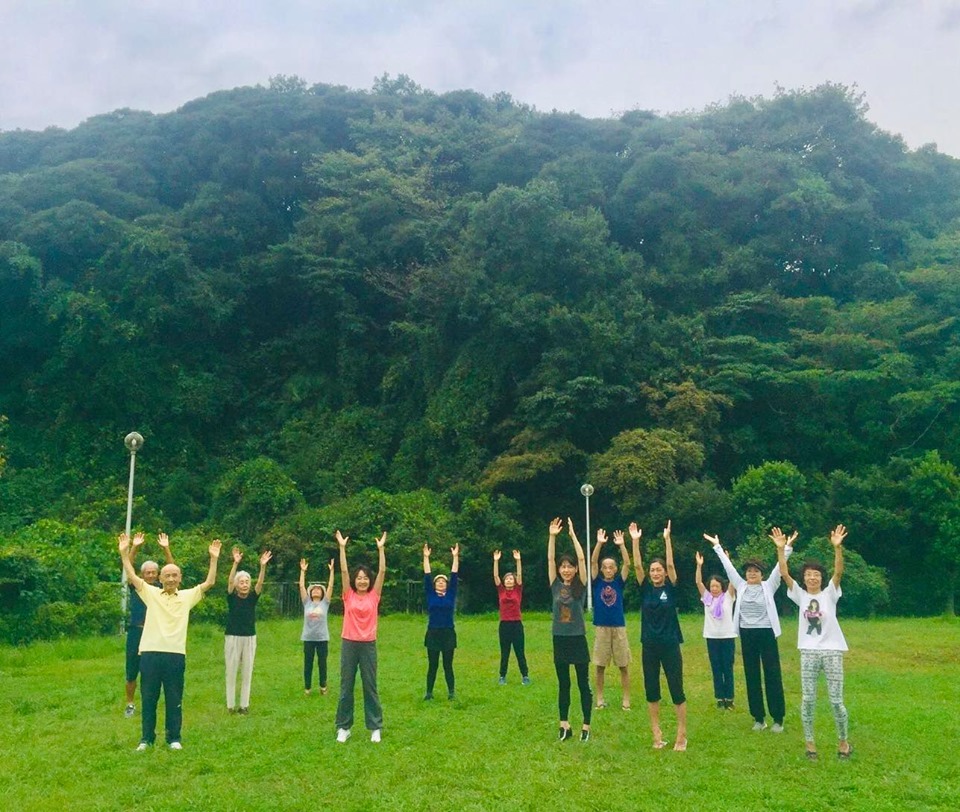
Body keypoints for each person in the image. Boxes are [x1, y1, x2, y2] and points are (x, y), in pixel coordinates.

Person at [118, 531, 221, 751]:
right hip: (150, 654)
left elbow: (210, 582)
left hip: (175, 655)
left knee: (174, 699)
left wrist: (213, 558)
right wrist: (124, 553)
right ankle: (146, 739)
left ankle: (174, 737)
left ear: (180, 578)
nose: (171, 579)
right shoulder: (150, 593)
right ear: (160, 579)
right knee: (149, 699)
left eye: (175, 575)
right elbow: (132, 576)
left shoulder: (187, 596)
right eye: (167, 575)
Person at [772, 525, 852, 760]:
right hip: (808, 651)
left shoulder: (830, 593)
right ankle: (810, 745)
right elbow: (785, 575)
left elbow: (838, 573)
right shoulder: (800, 595)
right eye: (808, 574)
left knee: (836, 701)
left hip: (832, 651)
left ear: (820, 578)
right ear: (805, 578)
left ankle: (844, 743)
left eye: (816, 574)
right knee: (808, 700)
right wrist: (781, 550)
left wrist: (838, 548)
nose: (812, 577)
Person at [704, 531, 794, 733]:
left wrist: (785, 549)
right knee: (751, 675)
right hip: (747, 634)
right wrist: (717, 546)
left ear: (761, 574)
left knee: (772, 674)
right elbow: (728, 568)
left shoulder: (769, 585)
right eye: (749, 571)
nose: (752, 574)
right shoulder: (741, 586)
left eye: (756, 571)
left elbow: (780, 569)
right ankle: (759, 718)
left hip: (766, 634)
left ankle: (778, 718)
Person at [632, 520, 687, 751]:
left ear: (664, 573)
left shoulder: (670, 588)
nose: (655, 573)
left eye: (658, 569)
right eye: (652, 570)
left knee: (676, 689)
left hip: (670, 644)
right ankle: (657, 734)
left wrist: (667, 540)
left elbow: (672, 564)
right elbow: (636, 566)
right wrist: (635, 541)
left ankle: (681, 736)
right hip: (650, 646)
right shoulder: (645, 588)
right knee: (652, 690)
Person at [335, 529, 387, 744]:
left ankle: (375, 727)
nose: (362, 581)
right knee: (346, 687)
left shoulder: (374, 596)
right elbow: (344, 571)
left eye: (365, 578)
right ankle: (343, 727)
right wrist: (342, 548)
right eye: (359, 578)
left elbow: (383, 571)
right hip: (349, 643)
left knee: (370, 686)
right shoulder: (348, 595)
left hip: (368, 645)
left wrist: (381, 549)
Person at [547, 516, 592, 742]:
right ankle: (564, 724)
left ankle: (586, 725)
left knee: (583, 683)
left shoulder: (580, 586)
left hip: (577, 638)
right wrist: (552, 537)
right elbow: (550, 558)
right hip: (560, 638)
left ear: (575, 570)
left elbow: (583, 559)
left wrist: (573, 536)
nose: (566, 570)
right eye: (563, 566)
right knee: (564, 683)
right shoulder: (555, 584)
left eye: (569, 567)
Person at [124, 531, 174, 717]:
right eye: (148, 573)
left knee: (151, 670)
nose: (151, 575)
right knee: (131, 671)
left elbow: (172, 568)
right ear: (142, 575)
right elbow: (128, 567)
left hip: (155, 635)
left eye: (154, 572)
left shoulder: (163, 588)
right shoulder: (137, 586)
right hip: (136, 632)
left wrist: (166, 548)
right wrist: (134, 547)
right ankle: (130, 704)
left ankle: (148, 702)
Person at [224, 547, 272, 714]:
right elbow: (229, 581)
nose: (244, 585)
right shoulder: (231, 596)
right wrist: (235, 563)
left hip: (250, 638)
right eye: (241, 582)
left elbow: (260, 584)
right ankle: (230, 706)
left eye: (246, 582)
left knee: (247, 672)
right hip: (232, 637)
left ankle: (244, 706)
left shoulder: (253, 597)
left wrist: (263, 566)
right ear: (237, 585)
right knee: (231, 670)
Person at [590, 528, 632, 710]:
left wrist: (622, 545)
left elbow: (628, 564)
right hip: (601, 627)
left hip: (618, 627)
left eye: (611, 567)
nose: (608, 569)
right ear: (601, 569)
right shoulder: (597, 582)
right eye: (605, 567)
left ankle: (626, 699)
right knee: (599, 666)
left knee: (623, 665)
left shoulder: (618, 583)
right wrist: (599, 543)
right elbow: (592, 561)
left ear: (615, 569)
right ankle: (599, 699)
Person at [694, 550, 737, 709]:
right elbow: (698, 583)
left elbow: (733, 579)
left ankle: (730, 699)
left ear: (722, 586)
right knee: (716, 668)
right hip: (711, 637)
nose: (713, 588)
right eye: (711, 586)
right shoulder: (707, 598)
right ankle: (720, 698)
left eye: (716, 586)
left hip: (727, 637)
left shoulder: (728, 597)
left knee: (728, 668)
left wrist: (727, 560)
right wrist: (699, 566)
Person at [422, 543, 460, 700]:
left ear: (447, 584)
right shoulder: (430, 594)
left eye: (443, 581)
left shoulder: (451, 594)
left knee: (447, 665)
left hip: (448, 633)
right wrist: (426, 557)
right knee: (432, 665)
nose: (441, 583)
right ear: (434, 584)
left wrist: (455, 557)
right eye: (438, 581)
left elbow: (454, 575)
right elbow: (426, 575)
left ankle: (451, 693)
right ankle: (429, 693)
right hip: (433, 633)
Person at [493, 549, 530, 685]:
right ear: (504, 581)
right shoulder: (501, 590)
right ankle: (502, 676)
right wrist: (496, 561)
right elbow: (496, 576)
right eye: (507, 579)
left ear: (514, 581)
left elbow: (520, 575)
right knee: (505, 652)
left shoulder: (517, 590)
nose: (509, 580)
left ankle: (525, 676)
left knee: (520, 651)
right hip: (504, 625)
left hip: (516, 624)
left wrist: (518, 560)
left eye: (511, 578)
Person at [299, 557, 334, 695]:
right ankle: (307, 688)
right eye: (314, 590)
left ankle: (323, 686)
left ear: (322, 593)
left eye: (319, 590)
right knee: (308, 663)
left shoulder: (325, 603)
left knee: (322, 663)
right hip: (308, 638)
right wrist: (303, 571)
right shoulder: (307, 603)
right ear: (310, 593)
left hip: (322, 638)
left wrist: (331, 572)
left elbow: (331, 586)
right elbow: (301, 586)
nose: (316, 591)